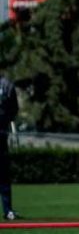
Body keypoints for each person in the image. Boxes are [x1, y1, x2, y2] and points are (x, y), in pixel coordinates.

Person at [0, 72, 18, 220]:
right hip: (2, 133)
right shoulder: (7, 84)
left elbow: (13, 109)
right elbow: (13, 109)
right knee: (3, 173)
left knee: (4, 173)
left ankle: (8, 210)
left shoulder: (7, 85)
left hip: (1, 134)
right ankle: (8, 210)